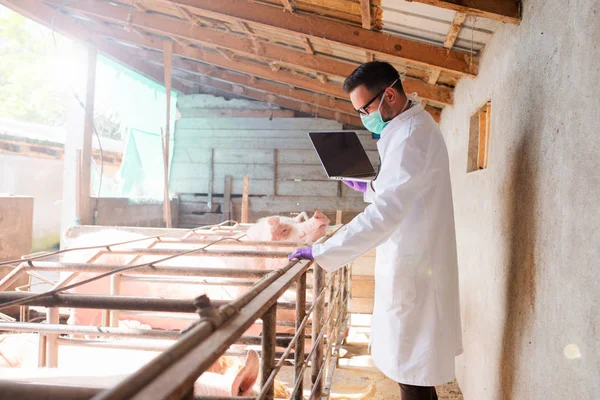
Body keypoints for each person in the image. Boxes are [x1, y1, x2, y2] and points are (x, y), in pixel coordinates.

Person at [289, 62, 463, 400]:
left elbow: (386, 211)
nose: (363, 118)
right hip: (410, 259)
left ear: (390, 95)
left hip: (415, 265)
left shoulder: (412, 135)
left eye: (365, 109)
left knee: (413, 372)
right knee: (410, 369)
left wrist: (325, 249)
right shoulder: (405, 128)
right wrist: (368, 186)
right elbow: (401, 189)